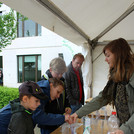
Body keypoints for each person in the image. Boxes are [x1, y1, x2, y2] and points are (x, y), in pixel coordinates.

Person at [71, 38, 134, 134]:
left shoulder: (131, 74)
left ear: (119, 54)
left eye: (108, 55)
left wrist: (125, 129)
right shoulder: (116, 77)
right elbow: (102, 98)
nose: (105, 59)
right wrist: (78, 113)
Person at [0, 78, 71, 134]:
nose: (58, 96)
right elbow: (39, 116)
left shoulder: (41, 91)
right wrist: (62, 118)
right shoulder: (40, 91)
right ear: (51, 85)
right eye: (58, 92)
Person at [41, 57, 71, 133]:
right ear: (51, 70)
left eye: (62, 73)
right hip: (47, 124)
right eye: (58, 73)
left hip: (60, 119)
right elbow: (43, 112)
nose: (60, 76)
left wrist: (67, 106)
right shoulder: (44, 84)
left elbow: (65, 95)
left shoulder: (62, 81)